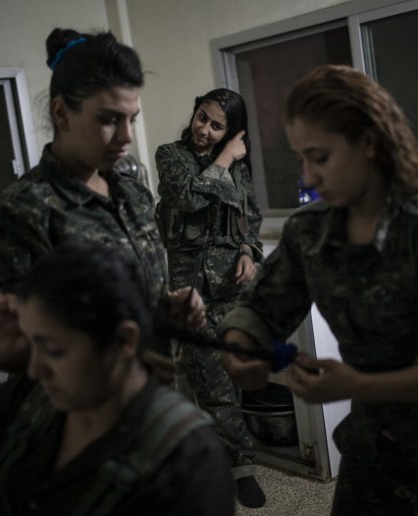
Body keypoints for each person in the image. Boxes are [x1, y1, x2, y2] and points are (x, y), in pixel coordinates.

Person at [219, 64, 418, 515]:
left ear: (369, 143)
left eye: (321, 157)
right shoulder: (311, 232)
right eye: (301, 159)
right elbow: (260, 307)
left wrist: (357, 383)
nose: (308, 177)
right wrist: (242, 346)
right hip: (372, 443)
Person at [0, 242, 236, 515]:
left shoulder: (187, 457)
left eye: (53, 350)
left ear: (124, 341)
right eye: (31, 345)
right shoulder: (36, 401)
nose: (34, 368)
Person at [0, 28, 204, 375]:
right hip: (78, 415)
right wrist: (100, 354)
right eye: (109, 120)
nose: (126, 137)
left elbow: (135, 298)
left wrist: (168, 306)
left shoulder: (132, 195)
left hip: (149, 399)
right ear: (62, 114)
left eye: (131, 119)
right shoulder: (21, 213)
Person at [154, 88, 265, 508]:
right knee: (212, 382)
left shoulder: (239, 167)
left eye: (216, 125)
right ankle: (242, 470)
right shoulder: (172, 155)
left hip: (232, 290)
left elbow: (250, 217)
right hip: (193, 293)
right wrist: (224, 157)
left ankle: (220, 458)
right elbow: (187, 195)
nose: (204, 129)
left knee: (236, 376)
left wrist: (247, 252)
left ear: (230, 130)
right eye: (202, 117)